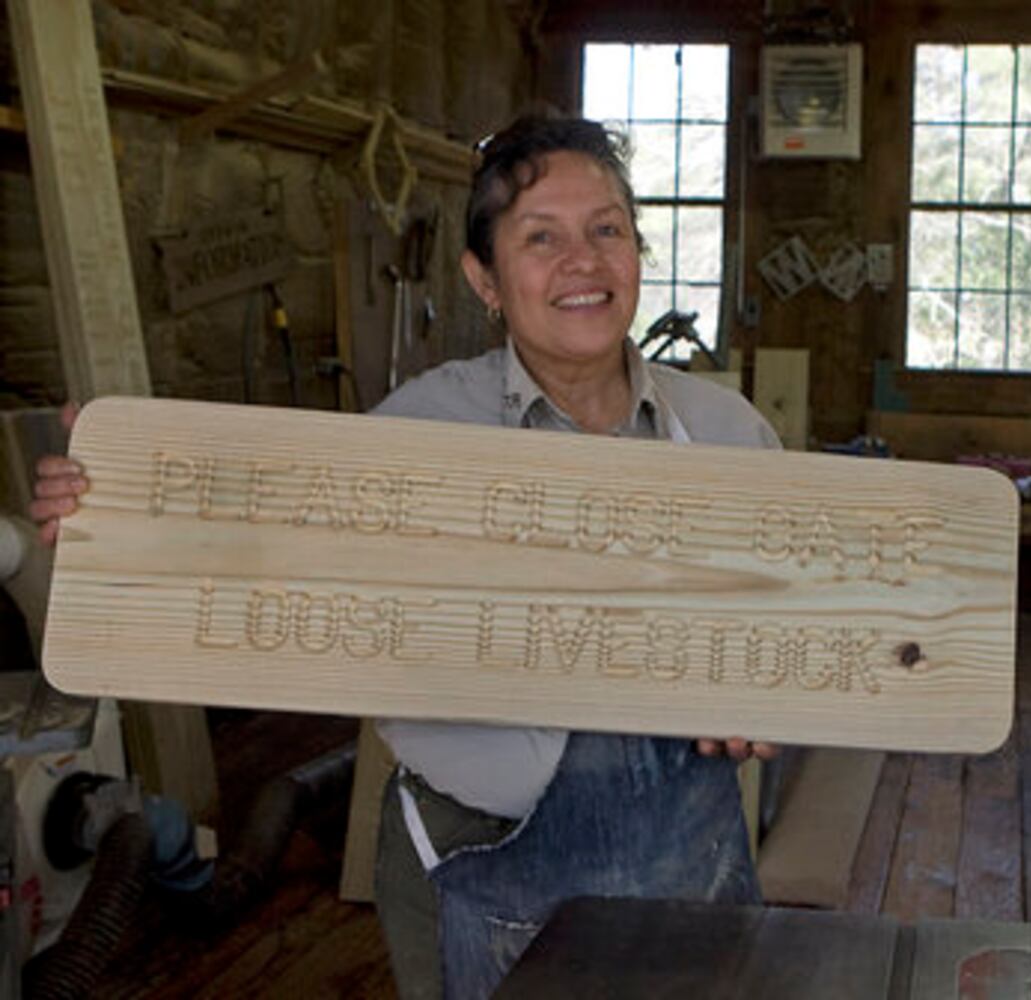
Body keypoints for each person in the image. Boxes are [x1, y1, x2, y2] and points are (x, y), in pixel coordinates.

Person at [30, 114, 782, 998]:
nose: (584, 261)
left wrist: (770, 695)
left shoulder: (733, 436)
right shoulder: (418, 433)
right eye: (541, 237)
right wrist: (120, 507)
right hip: (470, 858)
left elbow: (808, 629)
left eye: (607, 229)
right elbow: (271, 559)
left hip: (688, 863)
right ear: (484, 278)